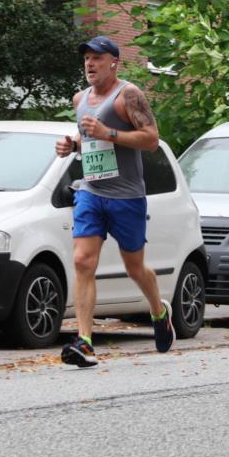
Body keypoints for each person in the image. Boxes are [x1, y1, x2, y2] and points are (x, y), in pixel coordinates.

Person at [55, 36, 174, 367]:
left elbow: (151, 139)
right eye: (86, 59)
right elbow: (87, 136)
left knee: (134, 267)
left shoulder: (129, 95)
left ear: (113, 63)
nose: (89, 64)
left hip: (127, 197)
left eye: (97, 58)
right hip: (91, 192)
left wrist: (110, 133)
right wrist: (73, 146)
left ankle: (158, 310)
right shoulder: (81, 98)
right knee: (82, 261)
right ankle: (85, 341)